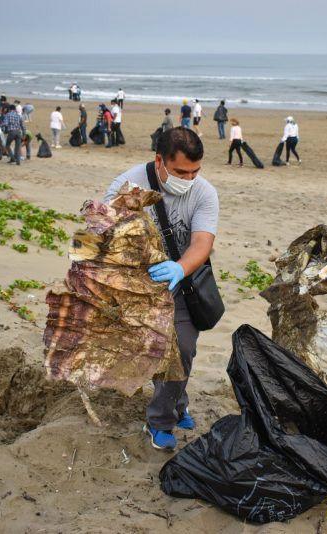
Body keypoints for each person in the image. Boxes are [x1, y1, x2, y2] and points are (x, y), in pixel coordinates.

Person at [103, 127, 219, 451]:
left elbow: (202, 243)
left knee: (183, 348)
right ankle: (162, 421)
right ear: (159, 161)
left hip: (182, 279)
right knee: (161, 353)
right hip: (139, 284)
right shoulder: (128, 187)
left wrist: (179, 268)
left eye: (196, 171)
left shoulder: (204, 193)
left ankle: (176, 403)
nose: (189, 178)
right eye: (181, 171)